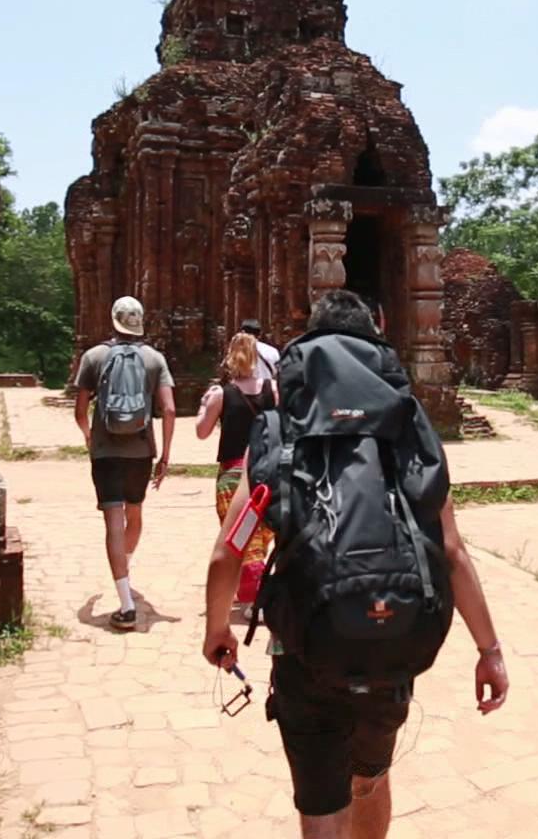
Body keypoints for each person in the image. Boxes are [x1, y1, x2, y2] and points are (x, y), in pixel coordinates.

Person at [202, 289, 509, 837]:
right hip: (394, 643)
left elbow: (230, 549)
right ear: (378, 341)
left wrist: (218, 629)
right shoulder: (405, 432)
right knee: (371, 773)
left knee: (322, 802)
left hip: (306, 649)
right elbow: (453, 551)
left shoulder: (277, 432)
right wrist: (490, 650)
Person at [70, 296, 175, 631]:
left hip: (106, 451)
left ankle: (126, 602)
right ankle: (124, 570)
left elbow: (80, 408)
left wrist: (89, 435)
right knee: (135, 515)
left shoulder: (94, 356)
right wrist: (166, 454)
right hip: (142, 450)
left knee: (113, 524)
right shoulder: (154, 359)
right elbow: (169, 409)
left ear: (113, 320)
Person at [194, 332, 276, 603]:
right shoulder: (273, 390)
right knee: (260, 534)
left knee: (242, 537)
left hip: (232, 475)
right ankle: (253, 587)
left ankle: (256, 596)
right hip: (265, 472)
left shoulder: (221, 394)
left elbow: (202, 432)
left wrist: (203, 407)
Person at [239, 317, 281, 384]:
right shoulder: (272, 351)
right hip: (267, 390)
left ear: (242, 333)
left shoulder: (237, 352)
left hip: (243, 391)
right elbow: (278, 373)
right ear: (260, 334)